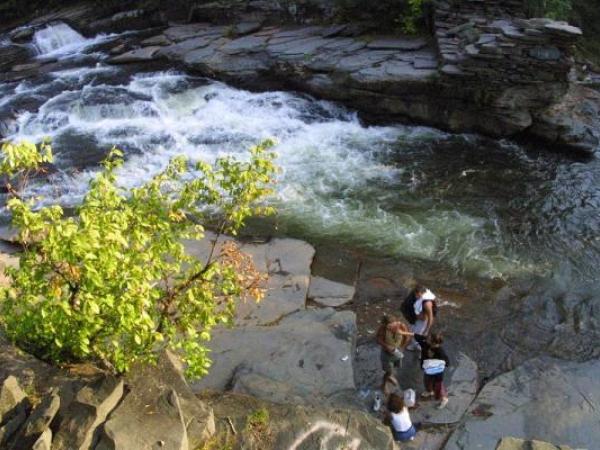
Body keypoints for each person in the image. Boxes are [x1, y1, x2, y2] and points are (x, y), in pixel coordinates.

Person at [415, 332, 450, 409]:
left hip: (437, 373)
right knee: (426, 381)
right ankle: (429, 391)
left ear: (433, 342)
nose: (427, 339)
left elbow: (447, 362)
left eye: (429, 339)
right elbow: (417, 336)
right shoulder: (426, 344)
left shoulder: (440, 352)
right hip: (428, 370)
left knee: (438, 387)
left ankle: (444, 399)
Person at [402, 284, 437, 349]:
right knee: (412, 330)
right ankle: (415, 344)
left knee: (419, 334)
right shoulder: (417, 295)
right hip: (417, 318)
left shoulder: (427, 304)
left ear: (422, 293)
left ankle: (420, 348)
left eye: (417, 295)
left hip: (423, 321)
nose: (416, 296)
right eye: (415, 295)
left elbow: (430, 317)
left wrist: (427, 330)